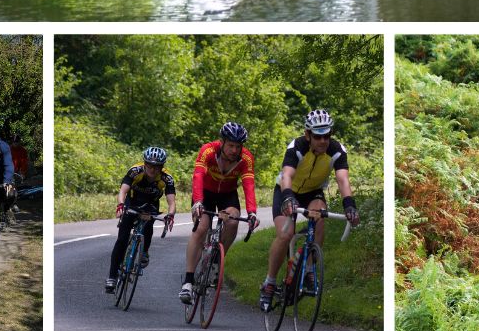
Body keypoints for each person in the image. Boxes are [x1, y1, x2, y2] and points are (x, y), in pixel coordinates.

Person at [259, 109, 359, 311]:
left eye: (327, 136)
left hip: (313, 192)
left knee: (320, 216)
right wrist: (287, 197)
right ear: (308, 135)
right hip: (287, 191)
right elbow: (287, 175)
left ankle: (310, 269)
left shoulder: (337, 150)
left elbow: (343, 180)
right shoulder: (297, 146)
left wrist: (350, 205)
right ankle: (269, 282)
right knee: (286, 234)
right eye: (317, 136)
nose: (323, 141)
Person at [181, 122, 259, 305]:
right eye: (231, 145)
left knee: (232, 221)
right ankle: (188, 280)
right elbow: (198, 175)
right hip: (205, 194)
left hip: (227, 195)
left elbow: (249, 185)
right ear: (222, 142)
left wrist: (252, 212)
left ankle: (216, 260)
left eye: (238, 146)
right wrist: (198, 202)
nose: (234, 150)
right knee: (201, 228)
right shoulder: (208, 150)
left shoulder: (246, 159)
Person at [106, 146, 176, 293]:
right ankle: (112, 277)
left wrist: (170, 214)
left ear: (162, 167)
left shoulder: (167, 178)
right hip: (132, 202)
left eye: (156, 167)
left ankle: (144, 251)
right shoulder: (135, 171)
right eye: (149, 165)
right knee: (122, 239)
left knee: (148, 225)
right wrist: (120, 205)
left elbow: (171, 202)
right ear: (145, 163)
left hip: (150, 204)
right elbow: (123, 190)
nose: (152, 169)